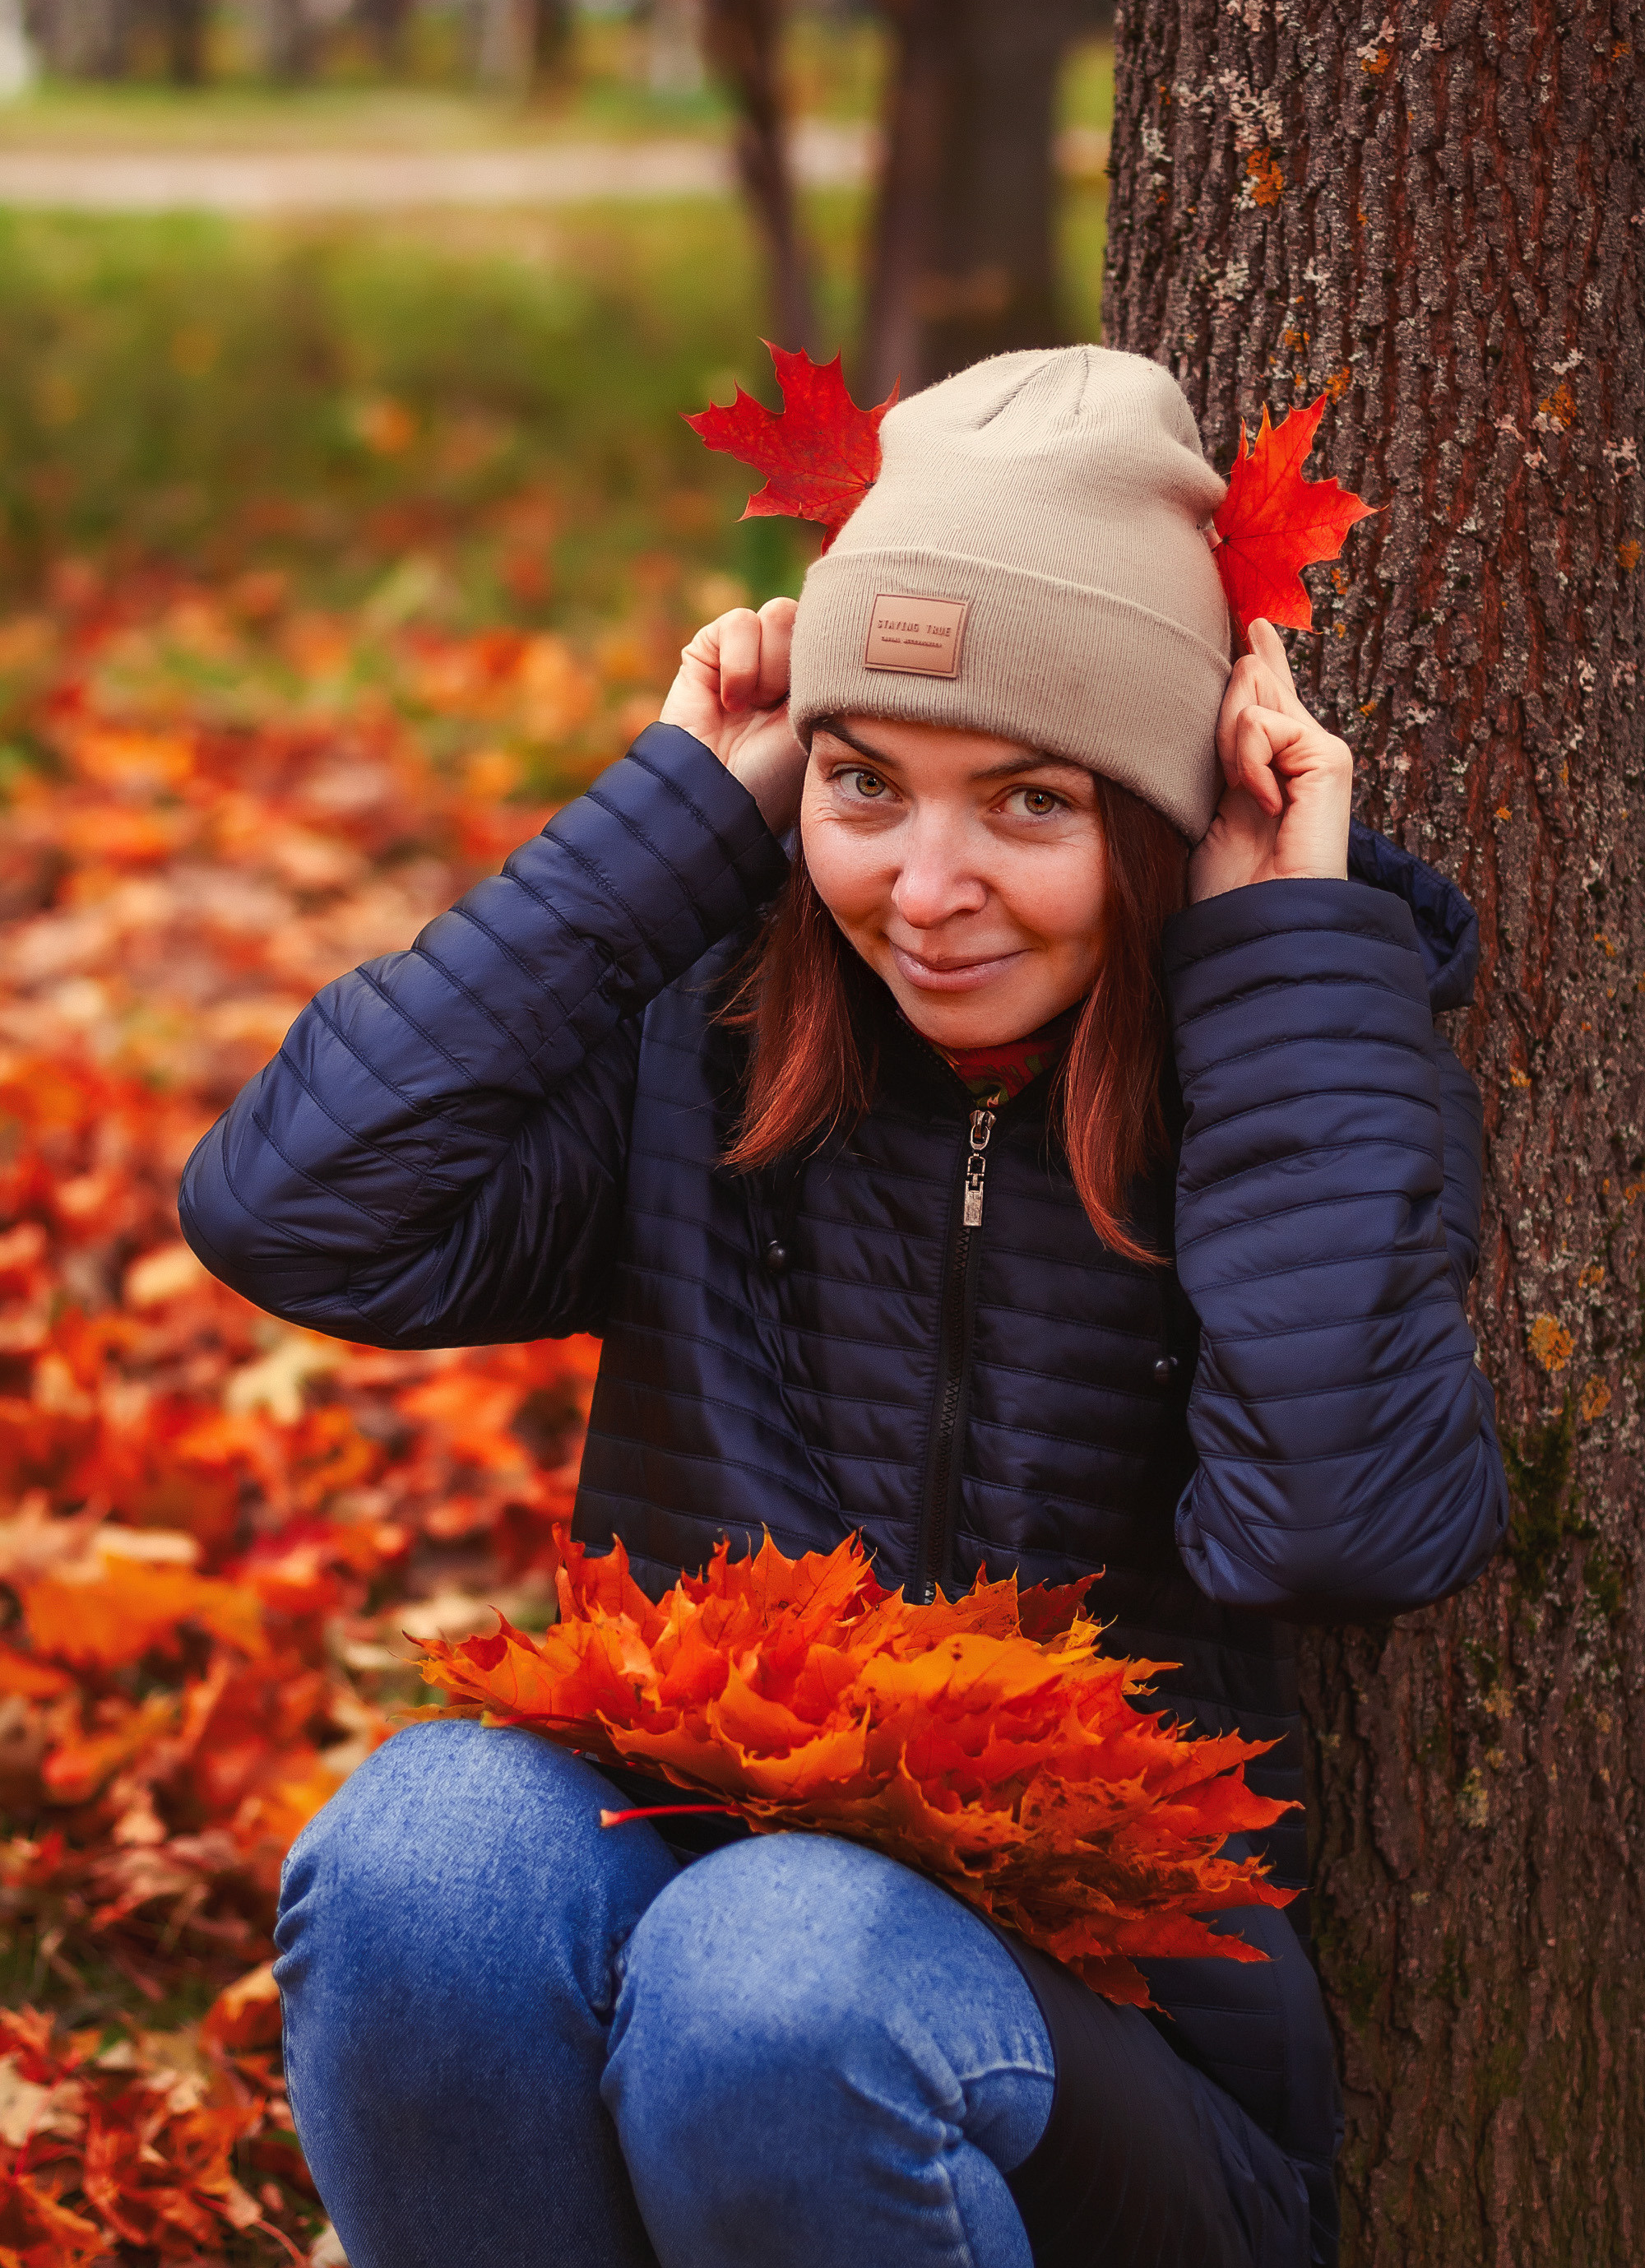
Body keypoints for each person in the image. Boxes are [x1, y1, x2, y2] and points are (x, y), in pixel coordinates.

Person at [180, 346, 1507, 2268]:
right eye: (864, 785)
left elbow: (1338, 1528)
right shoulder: (717, 1036)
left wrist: (1278, 947)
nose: (927, 890)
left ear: (1159, 820)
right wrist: (674, 824)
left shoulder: (1288, 1073)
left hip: (1102, 2059)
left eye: (1032, 805)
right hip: (702, 1856)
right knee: (423, 1859)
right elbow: (292, 1214)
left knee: (774, 1968)